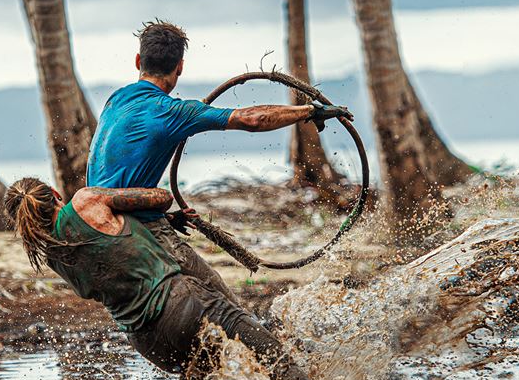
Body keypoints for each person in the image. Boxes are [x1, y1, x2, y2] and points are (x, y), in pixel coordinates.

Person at [3, 177, 340, 380]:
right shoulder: (86, 200)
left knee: (205, 369)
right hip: (186, 305)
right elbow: (160, 196)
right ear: (52, 191)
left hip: (148, 342)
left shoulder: (51, 252)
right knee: (279, 364)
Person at [87, 20, 353, 304]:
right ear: (180, 67)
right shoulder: (173, 111)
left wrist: (166, 217)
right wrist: (310, 111)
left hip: (92, 221)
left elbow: (112, 178)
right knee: (221, 298)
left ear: (138, 60)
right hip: (133, 227)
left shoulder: (115, 100)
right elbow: (252, 119)